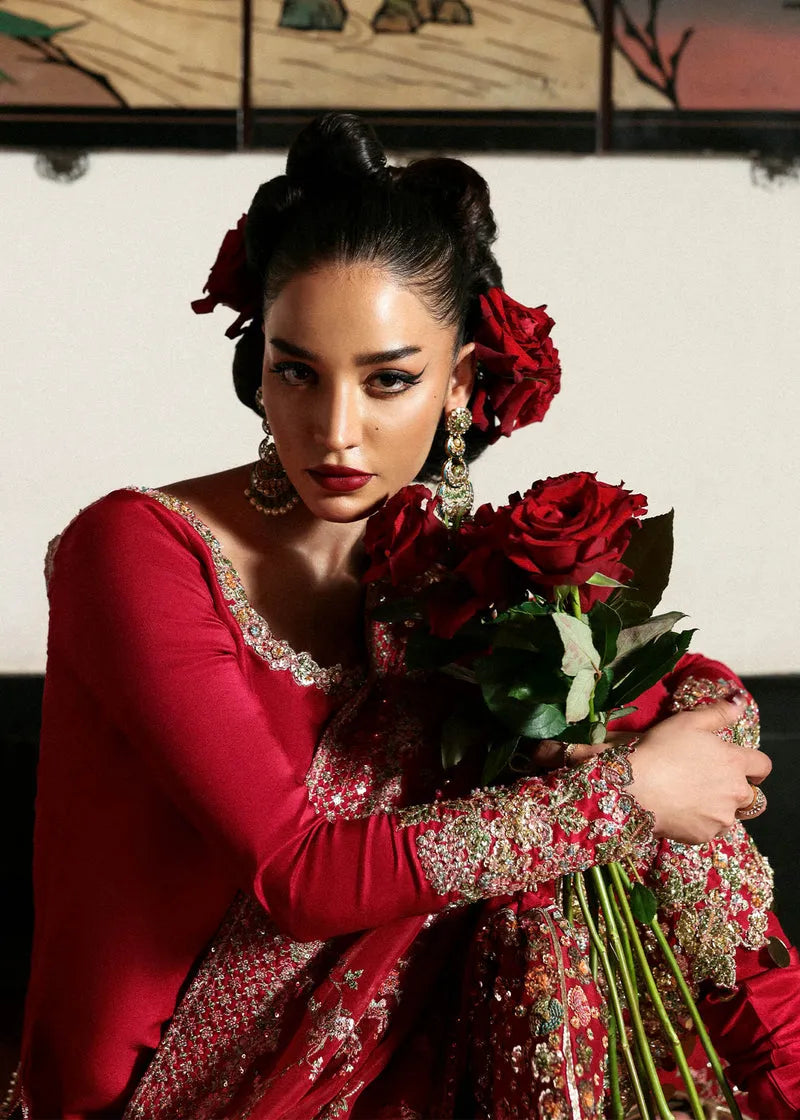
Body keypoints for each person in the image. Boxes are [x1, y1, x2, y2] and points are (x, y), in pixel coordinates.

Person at [13, 112, 799, 1119]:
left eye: (388, 379)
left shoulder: (446, 570)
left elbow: (666, 702)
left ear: (459, 382)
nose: (335, 430)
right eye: (296, 371)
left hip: (398, 1083)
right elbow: (295, 875)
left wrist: (690, 723)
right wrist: (624, 793)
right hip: (148, 1100)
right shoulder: (134, 551)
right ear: (258, 363)